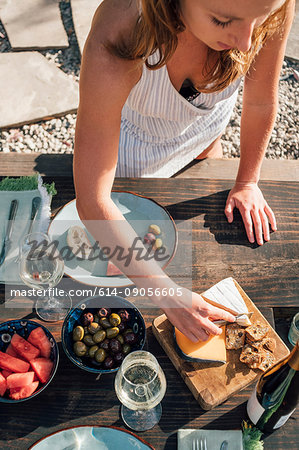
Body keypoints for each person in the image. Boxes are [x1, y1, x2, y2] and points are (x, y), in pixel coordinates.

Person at [73, 0, 295, 342]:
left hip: (205, 137)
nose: (247, 42)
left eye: (259, 20)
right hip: (133, 155)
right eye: (223, 21)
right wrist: (165, 292)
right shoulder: (121, 32)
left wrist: (248, 180)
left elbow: (260, 100)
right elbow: (92, 199)